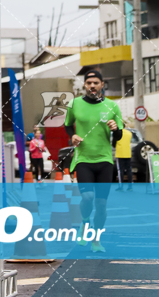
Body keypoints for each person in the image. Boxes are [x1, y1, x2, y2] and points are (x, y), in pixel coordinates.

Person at [65, 69, 123, 253]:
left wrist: (115, 129)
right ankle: (84, 222)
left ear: (101, 85)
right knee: (87, 197)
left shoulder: (112, 107)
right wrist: (73, 135)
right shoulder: (74, 104)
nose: (92, 86)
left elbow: (119, 136)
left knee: (101, 204)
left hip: (105, 161)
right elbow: (67, 125)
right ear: (84, 85)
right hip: (83, 159)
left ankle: (96, 240)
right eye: (89, 83)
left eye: (96, 83)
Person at [115, 124, 133, 191]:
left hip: (120, 154)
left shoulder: (117, 134)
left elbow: (113, 143)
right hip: (128, 153)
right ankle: (130, 186)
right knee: (129, 170)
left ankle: (121, 186)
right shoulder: (129, 133)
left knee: (120, 171)